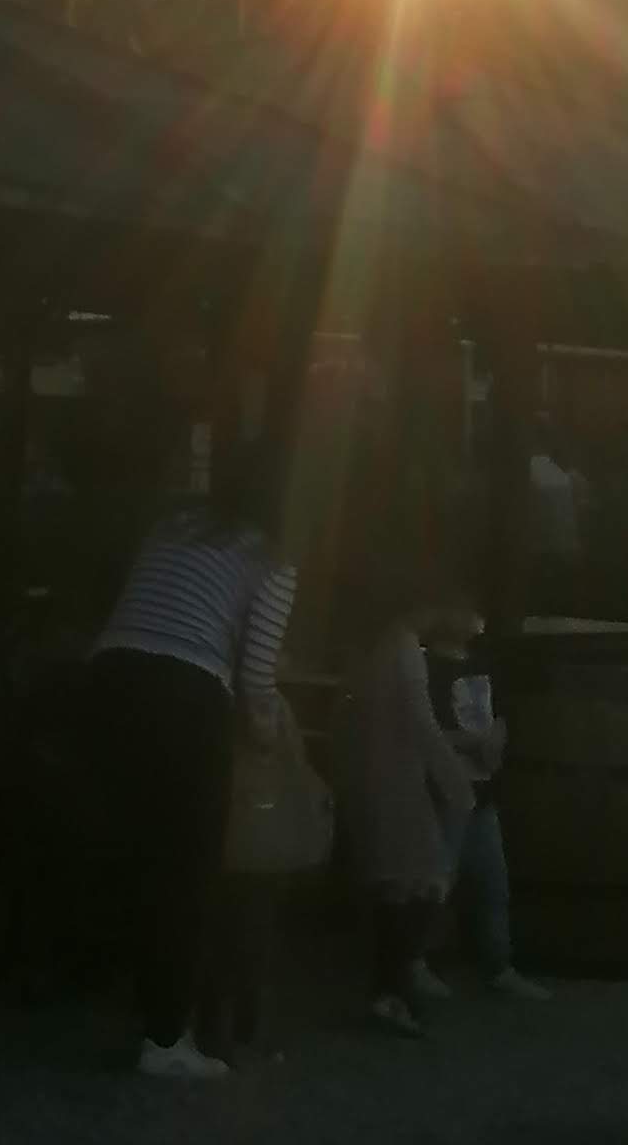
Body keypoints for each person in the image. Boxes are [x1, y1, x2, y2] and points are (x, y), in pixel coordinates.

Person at [86, 451, 298, 1084]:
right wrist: (269, 734)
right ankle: (165, 1035)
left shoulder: (172, 526)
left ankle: (116, 990)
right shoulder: (272, 561)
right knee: (186, 869)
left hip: (110, 678)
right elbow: (256, 678)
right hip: (188, 695)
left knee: (132, 851)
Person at [339, 574, 481, 1034]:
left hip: (377, 775)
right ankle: (392, 988)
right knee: (423, 882)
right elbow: (421, 722)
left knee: (398, 888)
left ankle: (389, 990)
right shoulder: (404, 649)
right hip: (399, 780)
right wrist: (455, 780)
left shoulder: (380, 648)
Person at [428, 606, 549, 1000]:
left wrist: (495, 742)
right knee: (436, 885)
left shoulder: (483, 664)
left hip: (482, 792)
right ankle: (422, 965)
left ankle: (498, 965)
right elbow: (425, 733)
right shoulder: (427, 669)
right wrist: (473, 743)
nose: (473, 616)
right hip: (446, 792)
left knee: (493, 884)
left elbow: (500, 716)